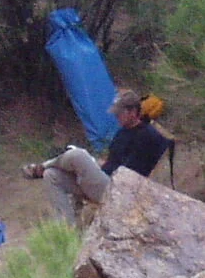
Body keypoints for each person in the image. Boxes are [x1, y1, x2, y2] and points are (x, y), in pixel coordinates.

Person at [23, 88, 172, 222]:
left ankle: (42, 166)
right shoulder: (122, 133)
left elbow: (128, 174)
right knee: (51, 175)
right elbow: (111, 162)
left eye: (119, 113)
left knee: (77, 155)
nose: (116, 117)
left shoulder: (146, 135)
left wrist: (89, 164)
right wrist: (93, 164)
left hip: (120, 191)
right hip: (103, 183)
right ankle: (67, 230)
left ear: (133, 112)